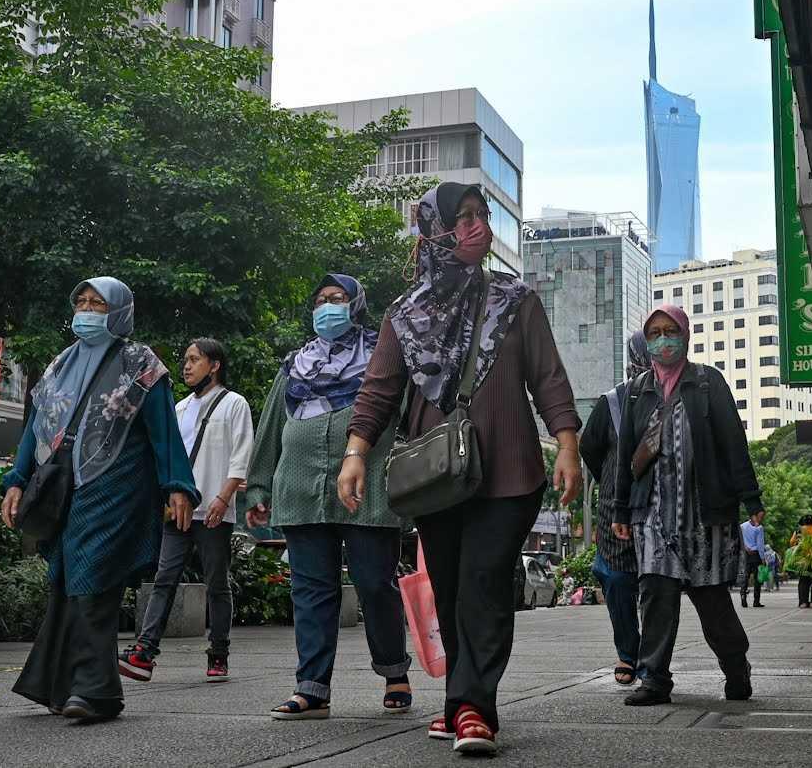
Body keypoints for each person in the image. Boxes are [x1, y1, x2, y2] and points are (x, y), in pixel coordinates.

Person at [343, 183, 582, 755]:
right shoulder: (404, 314)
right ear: (434, 231)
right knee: (448, 590)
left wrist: (568, 444)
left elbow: (546, 376)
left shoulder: (515, 298)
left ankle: (475, 707)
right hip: (436, 476)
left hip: (509, 471)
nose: (478, 227)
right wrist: (356, 452)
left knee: (483, 583)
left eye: (482, 216)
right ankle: (460, 699)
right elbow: (379, 390)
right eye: (463, 218)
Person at [0, 277, 199, 721]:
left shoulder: (139, 362)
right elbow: (33, 429)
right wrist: (15, 480)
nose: (87, 311)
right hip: (62, 487)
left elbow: (163, 430)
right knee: (66, 581)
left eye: (98, 304)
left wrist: (178, 486)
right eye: (82, 302)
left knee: (93, 575)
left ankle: (94, 691)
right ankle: (64, 685)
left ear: (119, 312)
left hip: (117, 485)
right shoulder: (58, 365)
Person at [245, 274, 412, 721]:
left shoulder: (383, 356)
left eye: (337, 298)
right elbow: (270, 429)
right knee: (311, 591)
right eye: (321, 300)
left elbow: (406, 415)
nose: (327, 306)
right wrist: (259, 485)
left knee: (375, 584)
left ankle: (395, 670)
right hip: (300, 490)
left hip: (369, 489)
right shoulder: (296, 364)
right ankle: (312, 688)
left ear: (356, 305)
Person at [611, 305, 762, 707]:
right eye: (655, 333)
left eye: (670, 330)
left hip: (705, 516)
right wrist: (620, 510)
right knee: (656, 597)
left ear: (685, 335)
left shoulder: (708, 383)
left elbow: (733, 443)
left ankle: (736, 666)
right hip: (652, 516)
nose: (663, 339)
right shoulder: (637, 392)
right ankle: (655, 679)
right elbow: (627, 453)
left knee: (713, 602)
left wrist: (752, 498)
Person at [119, 338, 253, 683]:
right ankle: (145, 652)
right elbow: (166, 458)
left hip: (213, 510)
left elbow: (241, 456)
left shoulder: (234, 404)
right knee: (164, 580)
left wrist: (222, 500)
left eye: (194, 359)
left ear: (215, 365)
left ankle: (218, 653)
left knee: (217, 584)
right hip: (178, 511)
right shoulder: (177, 409)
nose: (187, 366)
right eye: (185, 360)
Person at [579, 331, 651, 687]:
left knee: (658, 584)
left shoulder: (683, 395)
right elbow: (589, 449)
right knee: (618, 580)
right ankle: (628, 653)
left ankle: (653, 659)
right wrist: (610, 483)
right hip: (616, 509)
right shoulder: (612, 403)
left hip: (662, 508)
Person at [790, 514, 812, 609]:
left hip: (802, 560)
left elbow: (791, 543)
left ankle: (803, 602)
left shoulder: (799, 531)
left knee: (803, 581)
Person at [739, 511, 767, 608]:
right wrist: (763, 558)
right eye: (760, 517)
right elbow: (760, 544)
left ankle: (743, 596)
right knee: (757, 579)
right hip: (756, 555)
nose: (761, 519)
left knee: (745, 577)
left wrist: (746, 548)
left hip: (746, 554)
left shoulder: (742, 526)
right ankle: (756, 601)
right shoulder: (759, 528)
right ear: (753, 516)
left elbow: (740, 540)